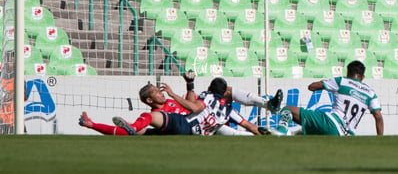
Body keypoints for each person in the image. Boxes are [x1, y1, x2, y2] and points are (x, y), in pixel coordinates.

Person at [79, 72, 283, 136]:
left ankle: (271, 121)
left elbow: (192, 104)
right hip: (189, 126)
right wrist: (93, 125)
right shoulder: (161, 111)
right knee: (140, 126)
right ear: (150, 100)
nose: (161, 92)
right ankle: (131, 128)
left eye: (160, 90)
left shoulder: (180, 104)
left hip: (196, 126)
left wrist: (189, 84)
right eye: (157, 92)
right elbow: (194, 106)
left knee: (143, 125)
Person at [112, 77, 263, 136]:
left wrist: (173, 94)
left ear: (211, 88)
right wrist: (263, 135)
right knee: (145, 132)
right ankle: (95, 125)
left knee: (150, 118)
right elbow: (250, 126)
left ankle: (131, 127)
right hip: (195, 135)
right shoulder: (230, 111)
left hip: (184, 124)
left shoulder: (208, 96)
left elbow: (195, 108)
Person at [275, 60, 384, 136]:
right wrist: (380, 139)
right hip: (347, 135)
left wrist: (326, 83)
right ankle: (290, 135)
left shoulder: (342, 81)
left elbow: (312, 87)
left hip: (331, 123)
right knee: (303, 133)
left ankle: (280, 132)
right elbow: (378, 117)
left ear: (347, 72)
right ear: (363, 77)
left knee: (288, 109)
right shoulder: (371, 93)